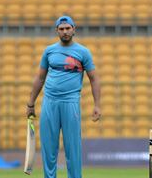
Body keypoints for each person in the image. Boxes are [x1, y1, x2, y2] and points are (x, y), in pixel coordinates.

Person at [26, 15, 101, 178]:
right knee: (49, 147)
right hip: (49, 102)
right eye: (61, 29)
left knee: (72, 148)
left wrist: (97, 105)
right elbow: (40, 78)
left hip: (70, 102)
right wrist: (30, 103)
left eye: (68, 28)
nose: (65, 32)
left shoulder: (83, 52)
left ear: (74, 29)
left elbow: (94, 79)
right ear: (56, 31)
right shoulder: (49, 51)